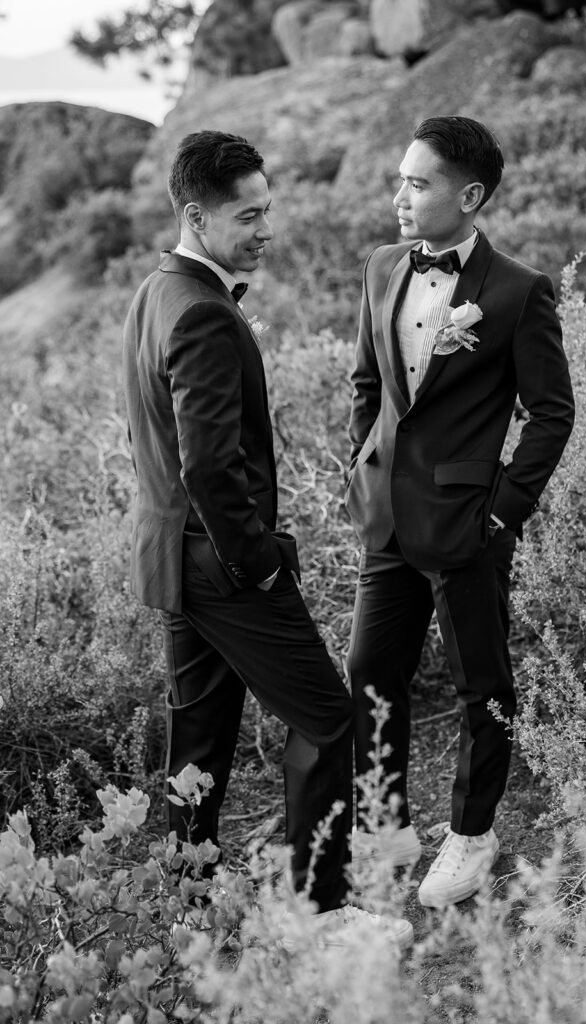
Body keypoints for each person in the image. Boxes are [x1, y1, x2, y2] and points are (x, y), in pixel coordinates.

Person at [122, 129, 412, 949]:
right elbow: (211, 466)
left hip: (173, 559)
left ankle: (190, 903)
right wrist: (259, 561)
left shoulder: (154, 291)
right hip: (223, 566)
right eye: (247, 215)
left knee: (199, 734)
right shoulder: (205, 314)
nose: (265, 230)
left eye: (268, 212)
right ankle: (320, 916)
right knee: (328, 721)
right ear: (196, 214)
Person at [345, 115, 574, 909]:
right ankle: (386, 822)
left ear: (468, 195)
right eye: (400, 179)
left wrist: (503, 512)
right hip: (386, 518)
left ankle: (471, 837)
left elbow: (551, 413)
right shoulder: (379, 266)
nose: (399, 196)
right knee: (371, 671)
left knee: (482, 685)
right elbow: (367, 383)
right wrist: (360, 461)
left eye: (418, 183)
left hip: (467, 525)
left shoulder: (515, 291)